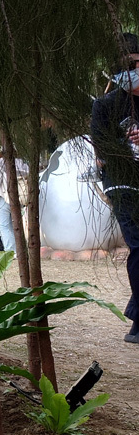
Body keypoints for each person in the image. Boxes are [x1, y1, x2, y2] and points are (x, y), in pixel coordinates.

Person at [90, 33, 139, 344]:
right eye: (122, 67)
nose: (129, 71)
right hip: (123, 184)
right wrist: (125, 143)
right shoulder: (105, 105)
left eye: (133, 64)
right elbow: (102, 153)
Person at [0, 152, 29, 258]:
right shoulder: (23, 165)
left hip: (5, 198)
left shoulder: (0, 165)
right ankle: (21, 250)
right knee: (16, 225)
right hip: (20, 199)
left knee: (3, 225)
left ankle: (11, 251)